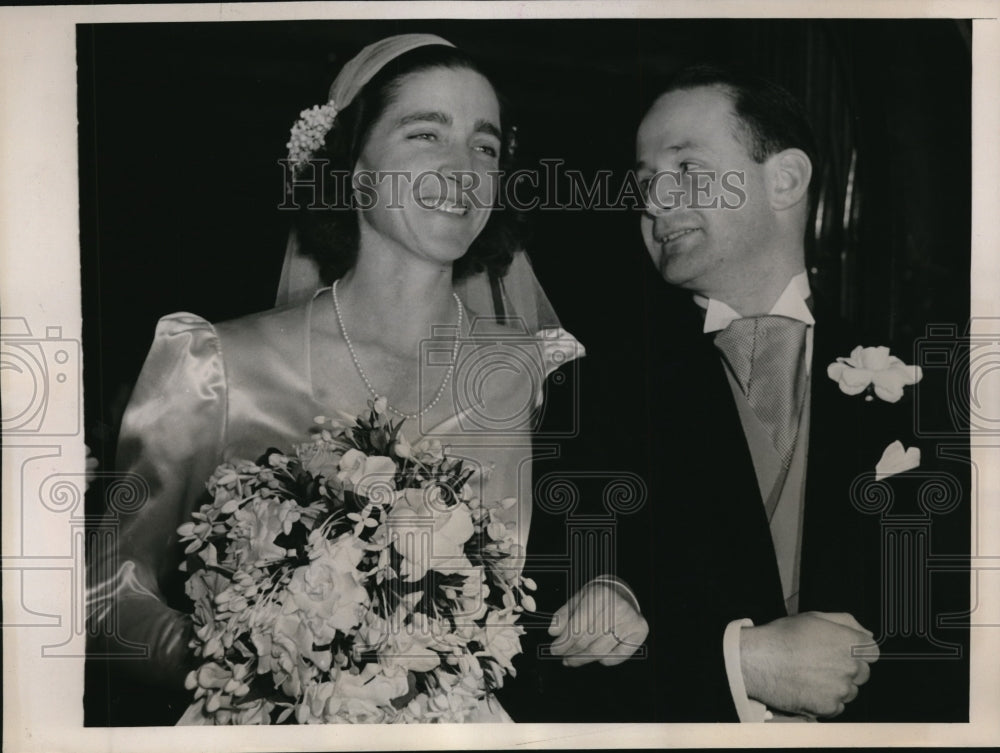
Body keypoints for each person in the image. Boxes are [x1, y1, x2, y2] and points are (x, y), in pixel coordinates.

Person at [85, 34, 638, 724]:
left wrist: (611, 590)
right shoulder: (213, 365)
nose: (463, 169)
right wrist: (234, 654)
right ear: (350, 165)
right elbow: (106, 595)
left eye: (485, 146)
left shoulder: (537, 374)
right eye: (425, 133)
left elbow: (593, 574)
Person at [509, 64, 968, 723]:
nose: (653, 200)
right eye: (643, 182)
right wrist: (735, 660)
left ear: (784, 179)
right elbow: (538, 651)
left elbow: (967, 647)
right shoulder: (593, 389)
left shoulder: (934, 386)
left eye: (686, 169)